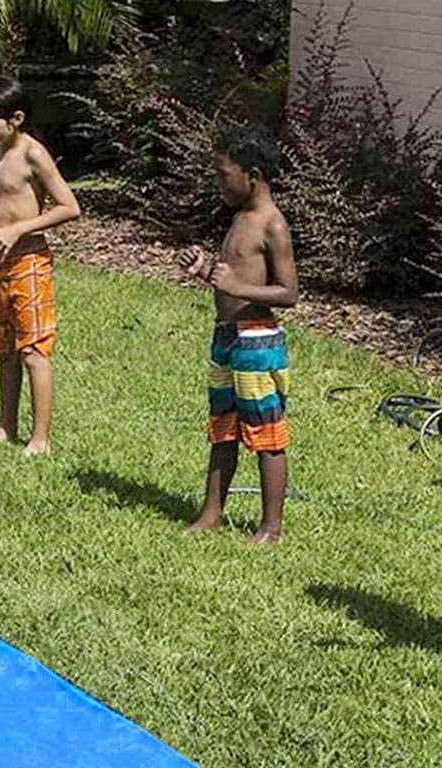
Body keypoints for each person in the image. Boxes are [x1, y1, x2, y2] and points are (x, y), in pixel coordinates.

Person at [178, 124, 298, 544]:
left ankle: (271, 527)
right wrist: (205, 269)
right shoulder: (240, 218)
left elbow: (289, 292)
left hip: (258, 342)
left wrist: (236, 288)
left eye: (223, 173)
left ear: (254, 176)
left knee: (265, 432)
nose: (218, 181)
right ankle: (212, 512)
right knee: (223, 426)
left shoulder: (273, 225)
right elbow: (232, 275)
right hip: (226, 337)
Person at [0, 76, 81, 456]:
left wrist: (17, 230)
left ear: (16, 118)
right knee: (7, 351)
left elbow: (70, 207)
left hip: (29, 261)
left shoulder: (33, 154)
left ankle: (40, 439)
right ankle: (5, 428)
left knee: (34, 351)